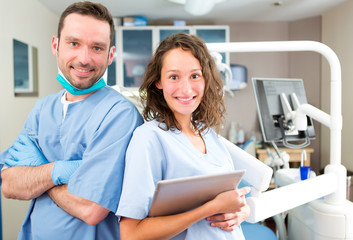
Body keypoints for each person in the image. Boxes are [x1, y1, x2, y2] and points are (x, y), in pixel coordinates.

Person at [0, 2, 143, 239]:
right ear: (56, 45)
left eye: (97, 48)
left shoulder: (119, 114)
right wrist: (61, 171)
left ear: (111, 55)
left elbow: (90, 208)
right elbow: (9, 185)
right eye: (74, 43)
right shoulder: (42, 108)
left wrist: (42, 170)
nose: (84, 59)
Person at [116, 33, 250, 240]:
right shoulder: (149, 138)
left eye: (195, 76)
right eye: (173, 77)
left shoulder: (208, 134)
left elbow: (230, 199)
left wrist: (241, 212)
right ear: (158, 82)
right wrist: (209, 208)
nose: (186, 88)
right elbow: (131, 234)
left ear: (206, 79)